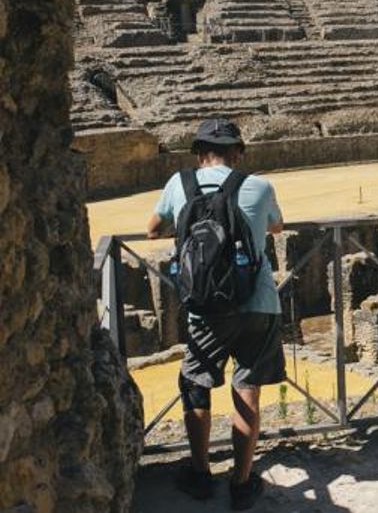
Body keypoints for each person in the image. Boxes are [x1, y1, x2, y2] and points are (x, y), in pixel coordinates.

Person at [147, 118, 285, 510]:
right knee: (247, 390)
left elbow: (153, 229)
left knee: (196, 385)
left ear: (198, 152)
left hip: (205, 305)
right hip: (257, 303)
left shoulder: (180, 183)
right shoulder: (258, 185)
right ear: (238, 153)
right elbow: (277, 226)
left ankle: (200, 472)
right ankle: (241, 483)